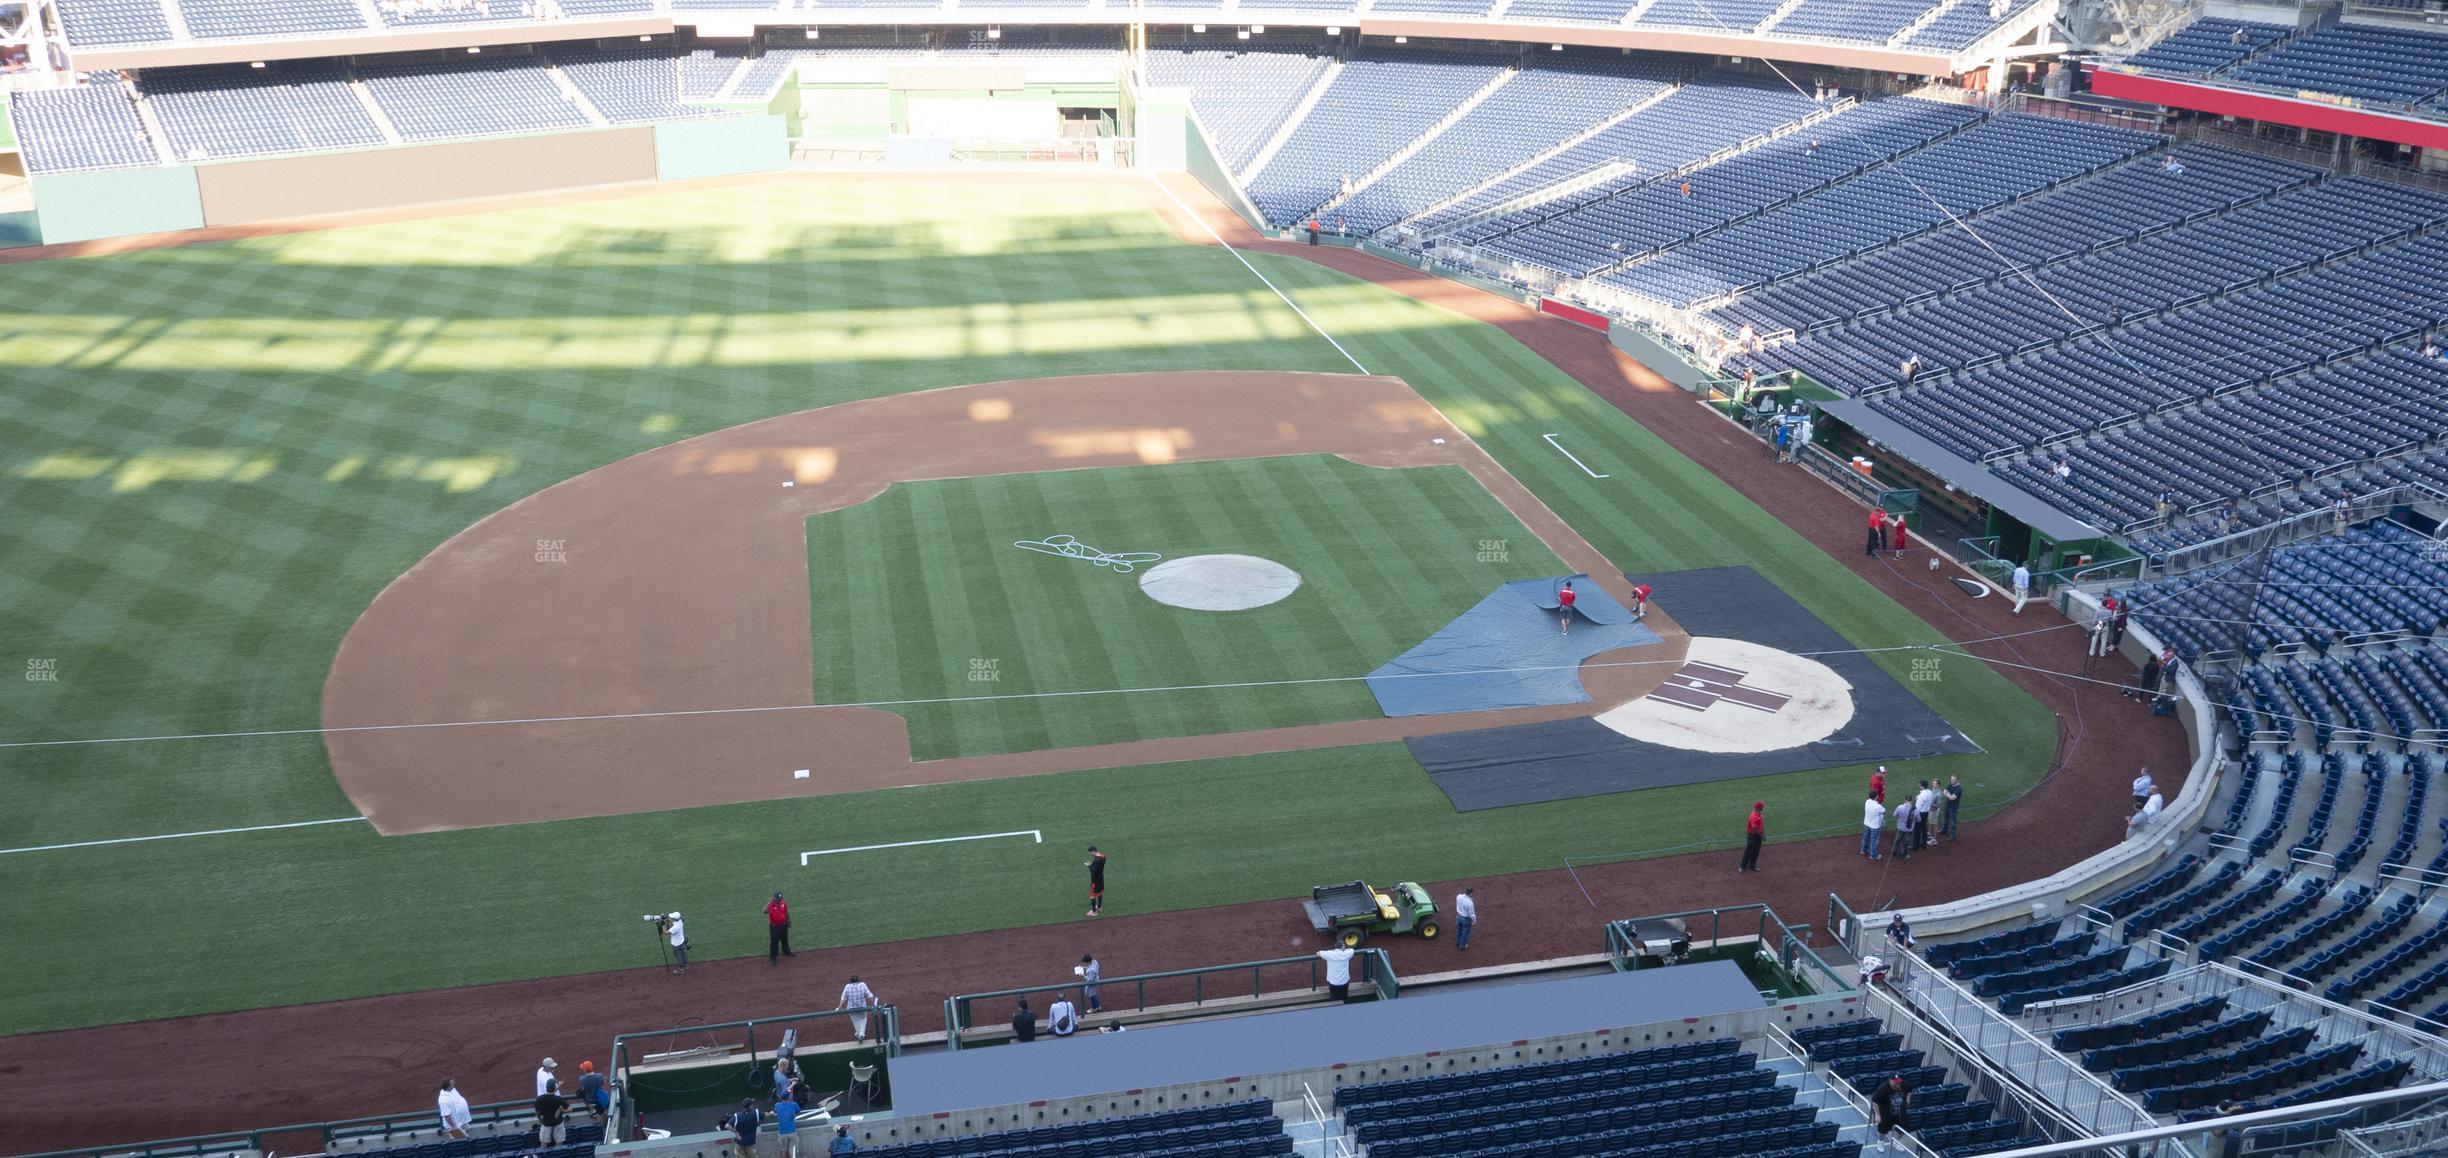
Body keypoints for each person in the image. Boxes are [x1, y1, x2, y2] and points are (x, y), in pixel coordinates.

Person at [1871, 1073, 1912, 1154]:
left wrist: (1908, 1100)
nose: (1898, 1084)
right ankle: (1880, 1141)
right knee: (1883, 1130)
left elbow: (1909, 1090)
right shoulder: (1883, 1088)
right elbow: (1875, 1102)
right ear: (1890, 1080)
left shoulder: (1903, 1084)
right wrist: (1877, 1115)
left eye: (1898, 1081)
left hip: (1900, 1111)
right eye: (1895, 1082)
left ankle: (1895, 1142)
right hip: (1886, 1111)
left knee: (1904, 1128)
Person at [837, 974, 877, 1043]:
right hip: (862, 1008)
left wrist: (838, 1007)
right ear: (858, 981)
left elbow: (843, 999)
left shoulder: (847, 986)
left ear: (850, 981)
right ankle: (860, 1034)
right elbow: (870, 996)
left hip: (851, 1008)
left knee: (856, 1021)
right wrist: (873, 1004)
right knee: (864, 1018)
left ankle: (859, 1034)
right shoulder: (862, 985)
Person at [535, 1079, 571, 1147]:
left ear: (546, 1087)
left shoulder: (540, 1099)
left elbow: (537, 1112)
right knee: (559, 1142)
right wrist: (561, 1110)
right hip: (558, 1122)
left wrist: (540, 1120)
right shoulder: (558, 1099)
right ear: (554, 1088)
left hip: (546, 1123)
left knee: (544, 1142)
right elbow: (570, 1109)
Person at [773, 1087, 802, 1158]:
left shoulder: (777, 1105)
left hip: (782, 1132)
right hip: (792, 1131)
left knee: (783, 1150)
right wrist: (794, 1115)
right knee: (793, 1150)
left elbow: (775, 1111)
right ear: (789, 1097)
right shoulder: (793, 1104)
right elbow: (798, 1111)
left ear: (781, 1097)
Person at [1738, 801, 1765, 873]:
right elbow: (1754, 829)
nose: (1762, 808)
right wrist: (1761, 836)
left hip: (1758, 835)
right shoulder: (1754, 816)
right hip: (1752, 836)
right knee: (1748, 851)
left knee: (1756, 851)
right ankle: (1742, 866)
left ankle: (1752, 865)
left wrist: (1763, 833)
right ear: (1759, 808)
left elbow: (1761, 825)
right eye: (1762, 807)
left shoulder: (1760, 815)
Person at [767, 892, 794, 965]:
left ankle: (786, 952)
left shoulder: (783, 903)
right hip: (774, 927)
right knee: (774, 942)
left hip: (783, 925)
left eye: (780, 898)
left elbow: (786, 913)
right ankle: (773, 958)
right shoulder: (771, 904)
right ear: (774, 898)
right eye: (778, 899)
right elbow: (764, 911)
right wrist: (769, 902)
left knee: (785, 939)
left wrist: (789, 921)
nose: (780, 900)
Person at [1860, 790, 1885, 859]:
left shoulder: (1867, 802)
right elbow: (1883, 811)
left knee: (1866, 837)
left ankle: (1863, 850)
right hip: (1875, 826)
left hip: (1866, 823)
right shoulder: (1878, 806)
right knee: (1874, 840)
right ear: (1876, 796)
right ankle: (1873, 855)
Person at [1914, 780, 1938, 850]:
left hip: (1920, 813)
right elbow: (1923, 796)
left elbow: (1917, 808)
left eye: (1920, 785)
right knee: (1924, 829)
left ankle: (1916, 846)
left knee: (1917, 830)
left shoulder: (1922, 796)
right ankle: (1924, 845)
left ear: (1922, 786)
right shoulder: (1930, 792)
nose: (1919, 786)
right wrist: (1918, 797)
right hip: (1926, 813)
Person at [1891, 798, 1917, 862]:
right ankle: (1904, 854)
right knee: (1906, 842)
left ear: (1905, 800)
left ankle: (1894, 851)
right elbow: (1919, 819)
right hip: (1909, 829)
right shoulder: (1915, 809)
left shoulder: (1900, 807)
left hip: (1900, 828)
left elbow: (1894, 814)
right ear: (1911, 801)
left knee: (1897, 840)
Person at [1085, 846, 1106, 917]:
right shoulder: (1103, 856)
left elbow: (1093, 871)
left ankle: (1094, 912)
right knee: (1100, 892)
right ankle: (1099, 907)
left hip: (1095, 880)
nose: (1091, 854)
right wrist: (1092, 864)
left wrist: (1089, 866)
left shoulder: (1097, 860)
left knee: (1092, 895)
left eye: (1091, 852)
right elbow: (1098, 866)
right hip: (1101, 878)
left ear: (1093, 851)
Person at [1941, 775, 1963, 842]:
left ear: (1957, 780)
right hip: (1947, 805)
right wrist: (1948, 795)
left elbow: (1952, 798)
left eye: (1953, 780)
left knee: (1953, 822)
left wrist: (1947, 794)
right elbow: (1944, 791)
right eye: (1951, 779)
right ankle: (1944, 829)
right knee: (1945, 818)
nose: (1952, 781)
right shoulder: (1950, 784)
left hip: (1953, 808)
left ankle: (1953, 836)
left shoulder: (1959, 788)